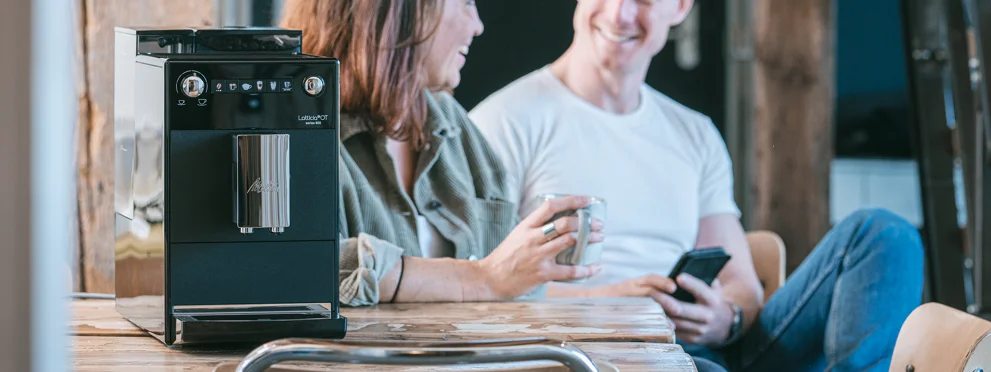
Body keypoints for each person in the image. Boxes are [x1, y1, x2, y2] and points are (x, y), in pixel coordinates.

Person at [468, 0, 924, 371]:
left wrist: (724, 317)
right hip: (588, 355)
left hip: (706, 350)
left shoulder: (695, 134)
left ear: (681, 7)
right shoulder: (503, 124)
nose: (620, 14)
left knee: (883, 235)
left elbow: (741, 283)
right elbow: (481, 289)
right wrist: (617, 304)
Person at [279, 0, 605, 307]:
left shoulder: (451, 122)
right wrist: (482, 279)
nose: (477, 26)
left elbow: (513, 288)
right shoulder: (293, 133)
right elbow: (290, 269)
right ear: (399, 12)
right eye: (465, 3)